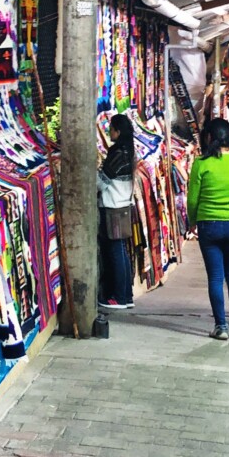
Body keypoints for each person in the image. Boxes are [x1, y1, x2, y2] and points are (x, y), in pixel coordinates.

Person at [187, 118, 229, 340]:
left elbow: (193, 200)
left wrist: (192, 222)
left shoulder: (201, 163)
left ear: (209, 137)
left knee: (215, 277)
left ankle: (221, 327)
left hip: (209, 224)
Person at [97, 113, 135, 310]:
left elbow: (102, 181)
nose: (109, 132)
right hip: (122, 205)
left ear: (118, 131)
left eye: (111, 129)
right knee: (120, 251)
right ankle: (126, 295)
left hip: (113, 206)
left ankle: (119, 297)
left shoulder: (119, 154)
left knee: (116, 251)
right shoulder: (127, 152)